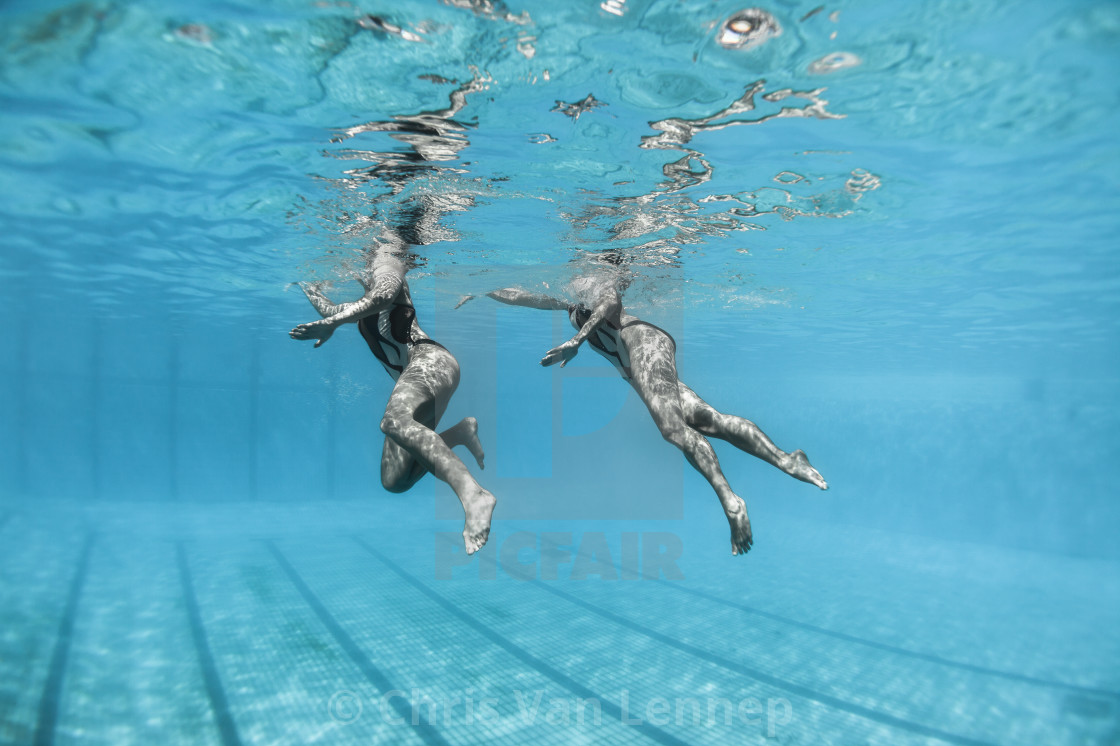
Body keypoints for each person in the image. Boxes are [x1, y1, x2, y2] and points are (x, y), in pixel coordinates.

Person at [466, 272, 827, 556]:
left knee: (672, 428)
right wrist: (483, 290)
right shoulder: (570, 300)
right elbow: (527, 297)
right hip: (635, 364)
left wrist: (576, 341)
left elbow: (607, 302)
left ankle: (731, 501)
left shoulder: (596, 274)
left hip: (642, 342)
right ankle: (786, 459)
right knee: (706, 420)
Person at [290, 236, 495, 554]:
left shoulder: (386, 262)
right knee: (394, 481)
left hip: (430, 362)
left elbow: (384, 296)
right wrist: (308, 286)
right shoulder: (363, 298)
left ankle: (472, 494)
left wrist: (333, 322)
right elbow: (336, 308)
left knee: (393, 420)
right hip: (419, 376)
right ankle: (459, 432)